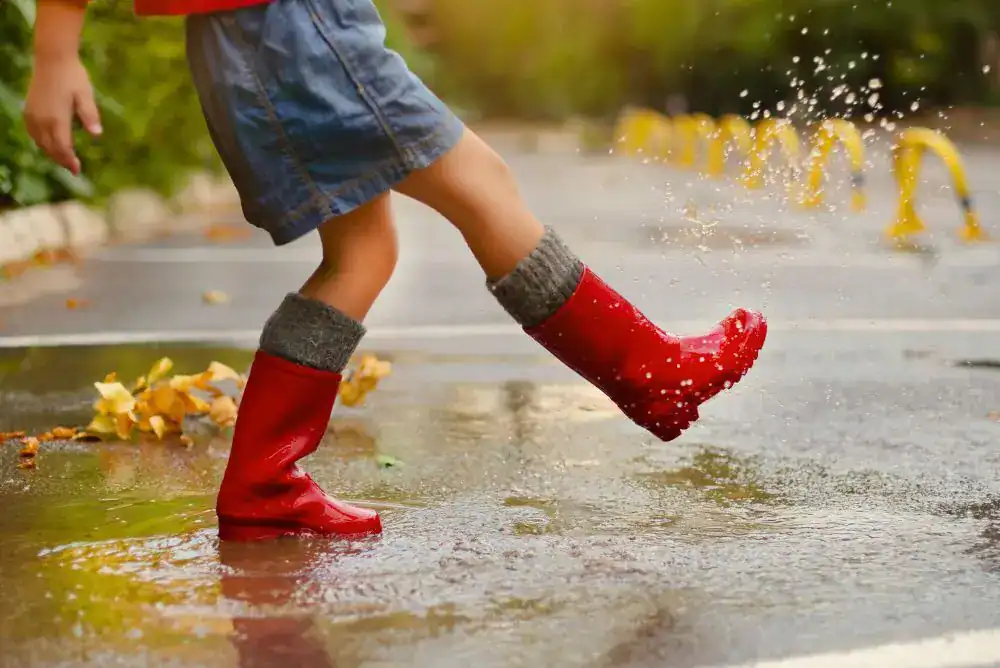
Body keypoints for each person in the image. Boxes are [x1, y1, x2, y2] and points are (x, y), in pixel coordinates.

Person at [24, 0, 767, 542]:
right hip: (284, 27)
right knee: (482, 184)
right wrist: (56, 50)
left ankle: (262, 482)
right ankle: (649, 372)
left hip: (281, 30)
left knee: (363, 255)